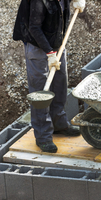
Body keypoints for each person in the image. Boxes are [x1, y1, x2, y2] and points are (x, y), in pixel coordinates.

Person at [13, 0, 85, 153]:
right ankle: (43, 136)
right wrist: (49, 53)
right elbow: (34, 27)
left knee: (60, 83)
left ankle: (59, 124)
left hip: (57, 39)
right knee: (40, 92)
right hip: (37, 44)